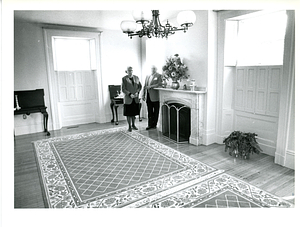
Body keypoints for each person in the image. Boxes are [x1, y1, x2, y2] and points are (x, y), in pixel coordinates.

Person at [122, 66, 142, 132]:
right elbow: (123, 89)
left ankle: (133, 125)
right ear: (126, 71)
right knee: (128, 114)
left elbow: (140, 86)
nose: (130, 72)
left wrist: (137, 92)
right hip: (128, 99)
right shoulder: (124, 79)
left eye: (131, 70)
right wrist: (130, 94)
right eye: (129, 70)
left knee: (134, 113)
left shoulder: (136, 78)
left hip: (135, 99)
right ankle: (129, 126)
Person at [142, 65, 162, 130]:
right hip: (148, 96)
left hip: (155, 96)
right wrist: (143, 94)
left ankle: (154, 124)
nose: (152, 69)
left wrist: (151, 86)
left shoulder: (159, 76)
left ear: (156, 69)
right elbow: (145, 86)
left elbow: (159, 84)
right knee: (149, 111)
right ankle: (149, 124)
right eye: (151, 68)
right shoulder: (148, 76)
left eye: (154, 68)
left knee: (156, 111)